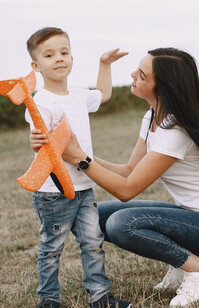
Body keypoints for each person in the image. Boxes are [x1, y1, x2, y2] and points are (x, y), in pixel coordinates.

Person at [31, 47, 199, 307]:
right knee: (95, 216)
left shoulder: (176, 131)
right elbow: (129, 170)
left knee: (121, 224)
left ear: (163, 88)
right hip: (193, 216)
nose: (133, 74)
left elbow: (127, 189)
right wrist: (75, 152)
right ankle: (182, 263)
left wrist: (80, 158)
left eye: (142, 75)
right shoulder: (153, 116)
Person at [25, 27, 132, 308]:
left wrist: (104, 63)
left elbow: (105, 94)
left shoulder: (79, 94)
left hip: (84, 187)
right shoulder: (40, 101)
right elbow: (40, 139)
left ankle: (100, 297)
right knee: (52, 249)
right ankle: (48, 300)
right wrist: (35, 140)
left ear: (71, 57)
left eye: (64, 52)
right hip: (54, 192)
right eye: (49, 55)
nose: (59, 58)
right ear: (36, 66)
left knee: (93, 244)